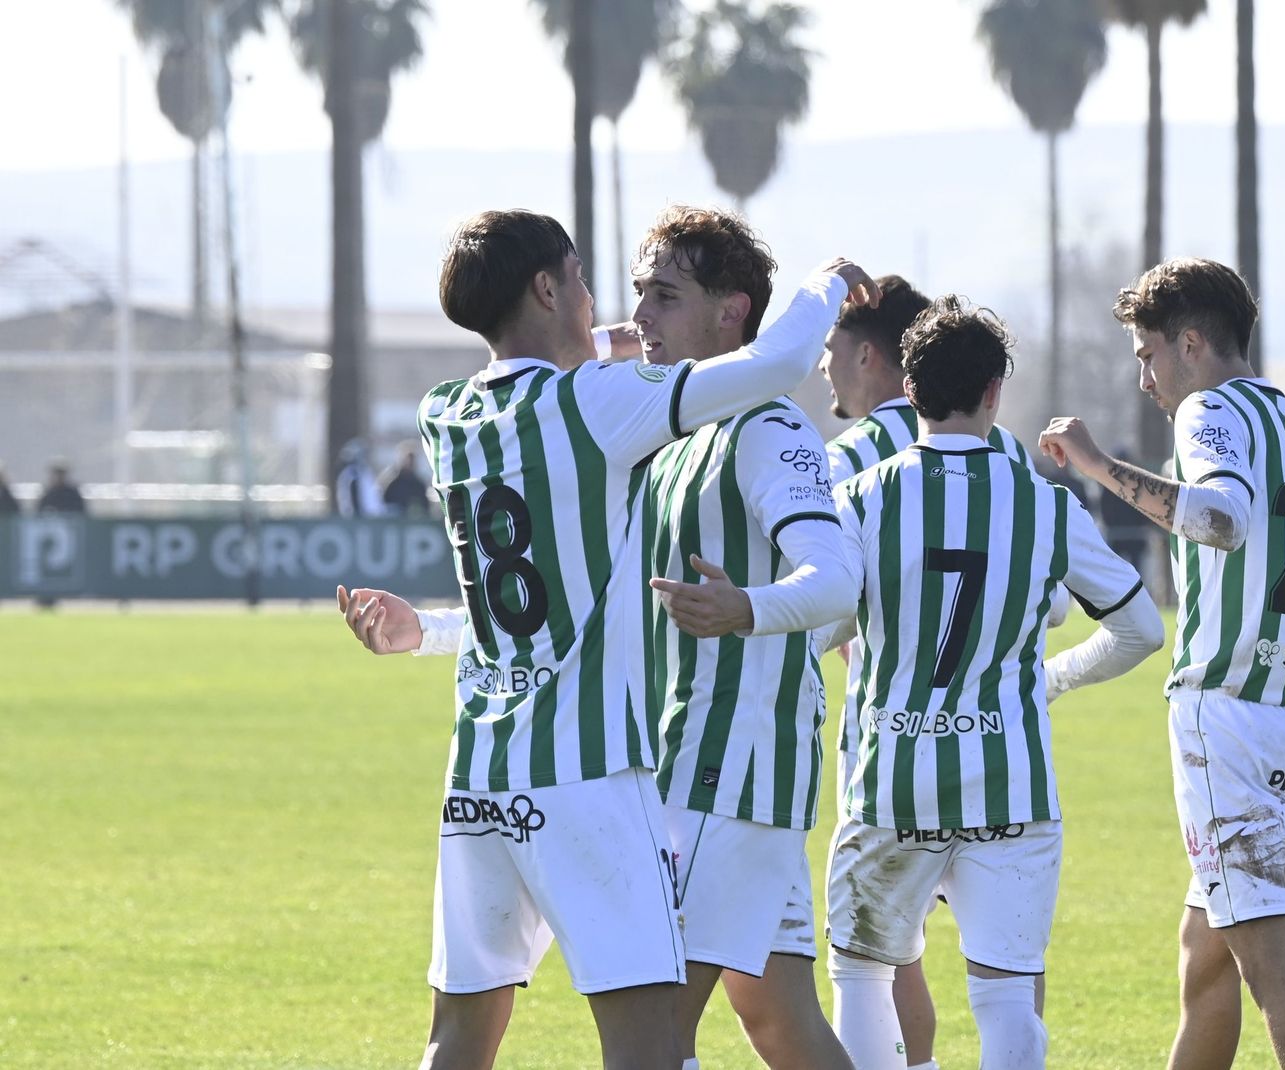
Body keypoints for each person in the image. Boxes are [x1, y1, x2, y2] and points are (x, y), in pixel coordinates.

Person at [335, 208, 878, 1070]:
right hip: (594, 777)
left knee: (463, 1038)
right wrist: (830, 283)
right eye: (593, 284)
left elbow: (545, 594)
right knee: (654, 1041)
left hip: (481, 771)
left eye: (659, 295)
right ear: (550, 288)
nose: (619, 310)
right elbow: (774, 362)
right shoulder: (601, 410)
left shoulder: (446, 414)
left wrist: (429, 631)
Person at [675, 295, 1162, 1070]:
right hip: (1012, 785)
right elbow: (1142, 629)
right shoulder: (1041, 502)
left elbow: (822, 622)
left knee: (864, 978)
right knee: (1006, 997)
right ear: (996, 392)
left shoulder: (862, 498)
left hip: (890, 783)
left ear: (908, 384)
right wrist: (1051, 679)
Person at [1039, 258, 1285, 1070]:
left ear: (1191, 343)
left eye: (1148, 354)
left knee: (1279, 971)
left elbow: (1220, 519)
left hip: (1230, 724)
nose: (1144, 377)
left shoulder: (1208, 411)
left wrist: (1095, 466)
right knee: (1208, 958)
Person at [625, 206, 855, 1069]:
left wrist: (744, 609)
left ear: (733, 311)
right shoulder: (679, 431)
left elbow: (834, 579)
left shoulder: (768, 427)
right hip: (709, 769)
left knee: (649, 1030)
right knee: (783, 1025)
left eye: (665, 295)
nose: (643, 314)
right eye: (640, 292)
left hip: (728, 773)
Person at [816, 273, 1047, 1070]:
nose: (824, 367)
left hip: (888, 746)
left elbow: (816, 609)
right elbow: (1048, 601)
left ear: (881, 359)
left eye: (832, 349)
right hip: (998, 750)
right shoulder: (1006, 456)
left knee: (876, 957)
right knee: (1007, 972)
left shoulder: (844, 467)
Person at [333, 440, 384, 517]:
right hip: (358, 518)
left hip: (371, 517)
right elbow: (353, 499)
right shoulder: (351, 473)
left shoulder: (365, 471)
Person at [379, 444, 433, 517]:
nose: (410, 463)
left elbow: (425, 506)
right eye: (407, 459)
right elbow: (382, 502)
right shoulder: (391, 481)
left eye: (412, 460)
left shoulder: (419, 484)